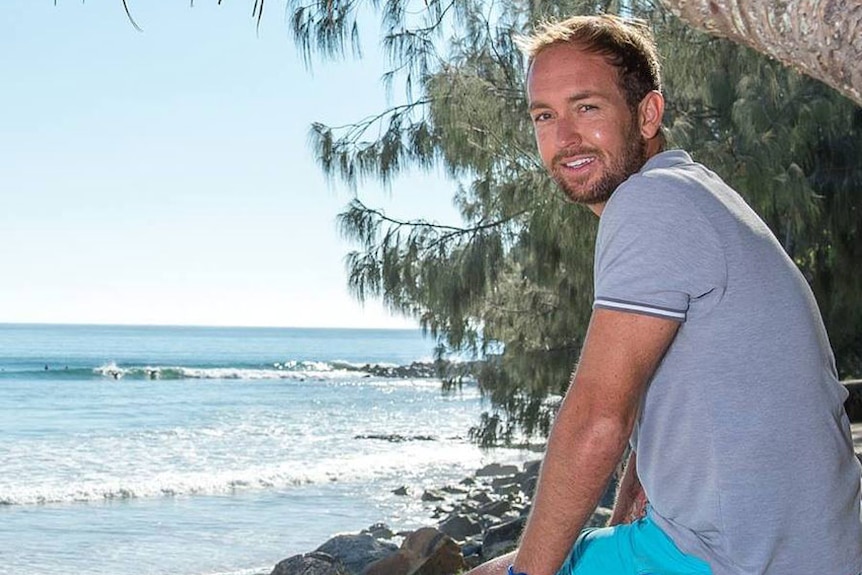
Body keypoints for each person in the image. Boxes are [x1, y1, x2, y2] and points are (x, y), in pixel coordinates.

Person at [467, 14, 862, 575]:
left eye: (587, 107)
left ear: (648, 113)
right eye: (545, 116)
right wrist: (629, 501)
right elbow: (669, 392)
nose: (565, 137)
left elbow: (599, 418)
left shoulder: (648, 205)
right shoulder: (697, 193)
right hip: (813, 547)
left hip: (736, 560)